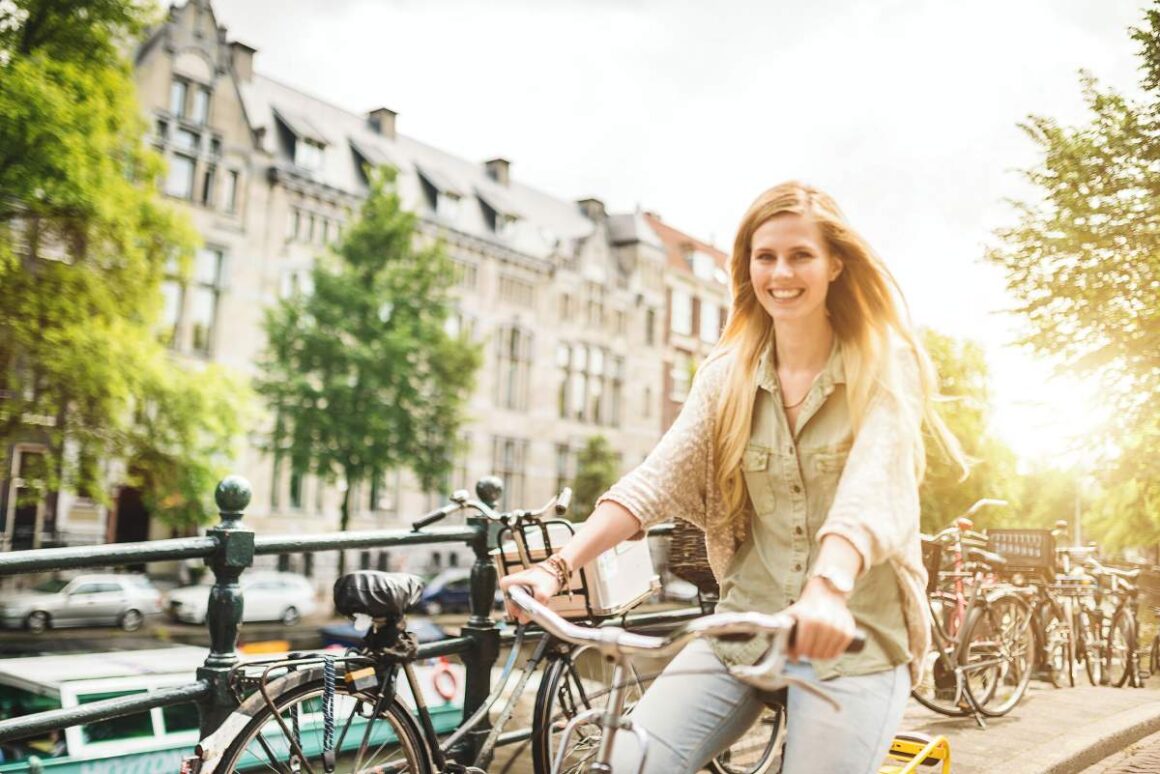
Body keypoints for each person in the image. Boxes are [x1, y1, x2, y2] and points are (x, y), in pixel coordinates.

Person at [500, 181, 966, 774]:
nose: (781, 273)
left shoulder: (883, 363)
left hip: (854, 639)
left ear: (835, 265)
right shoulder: (727, 375)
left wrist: (827, 592)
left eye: (801, 255)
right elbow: (656, 479)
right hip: (746, 628)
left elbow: (873, 489)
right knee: (628, 762)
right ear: (746, 267)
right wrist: (556, 567)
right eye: (765, 256)